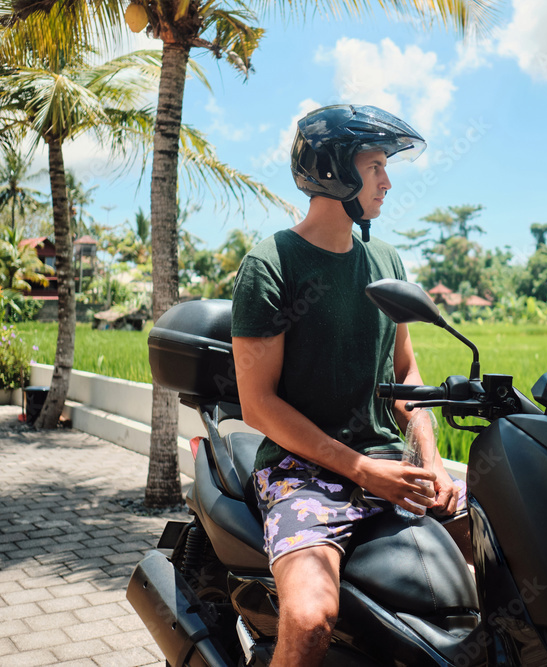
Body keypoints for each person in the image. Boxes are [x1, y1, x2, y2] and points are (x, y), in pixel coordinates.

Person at [231, 104, 465, 667]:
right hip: (301, 473)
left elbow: (405, 372)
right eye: (377, 165)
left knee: (508, 556)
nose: (387, 181)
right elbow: (257, 404)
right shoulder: (271, 264)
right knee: (311, 620)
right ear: (335, 169)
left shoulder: (385, 259)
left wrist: (430, 459)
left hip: (391, 464)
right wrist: (362, 471)